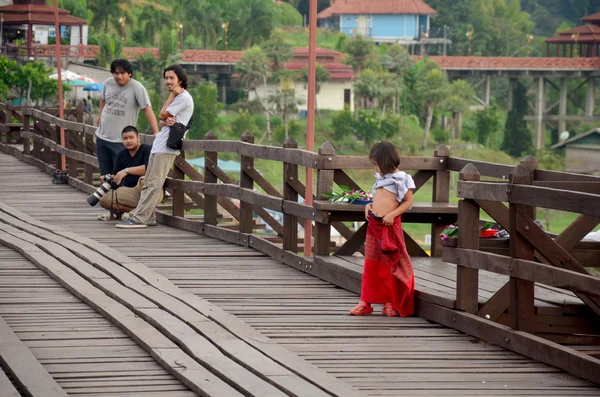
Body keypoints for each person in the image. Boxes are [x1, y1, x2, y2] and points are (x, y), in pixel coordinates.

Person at [117, 64, 193, 229]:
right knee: (148, 182)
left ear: (180, 79)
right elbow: (162, 120)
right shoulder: (178, 96)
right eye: (166, 78)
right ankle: (148, 216)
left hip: (167, 147)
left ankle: (140, 218)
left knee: (154, 183)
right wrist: (166, 120)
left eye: (171, 78)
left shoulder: (183, 97)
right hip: (159, 145)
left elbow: (161, 114)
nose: (168, 81)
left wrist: (171, 98)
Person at [349, 141, 416, 317]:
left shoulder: (402, 179)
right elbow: (379, 198)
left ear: (385, 162)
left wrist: (392, 215)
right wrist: (369, 206)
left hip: (389, 226)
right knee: (371, 264)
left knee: (390, 264)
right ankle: (366, 301)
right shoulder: (381, 180)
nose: (375, 168)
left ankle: (389, 301)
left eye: (376, 164)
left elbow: (408, 202)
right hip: (374, 225)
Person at [96, 59, 159, 176]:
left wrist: (156, 132)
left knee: (121, 175)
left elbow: (147, 109)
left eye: (122, 73)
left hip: (121, 141)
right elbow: (102, 98)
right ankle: (108, 195)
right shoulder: (108, 83)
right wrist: (100, 114)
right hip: (102, 137)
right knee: (105, 176)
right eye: (116, 73)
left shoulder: (136, 87)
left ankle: (120, 195)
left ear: (129, 73)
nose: (119, 76)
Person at [96, 126, 156, 221]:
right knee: (103, 200)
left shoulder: (147, 150)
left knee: (143, 180)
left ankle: (144, 212)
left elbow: (150, 169)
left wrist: (126, 171)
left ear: (138, 138)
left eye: (131, 137)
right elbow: (116, 177)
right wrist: (109, 178)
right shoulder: (121, 154)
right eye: (125, 138)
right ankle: (137, 211)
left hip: (150, 190)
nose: (128, 141)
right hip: (131, 192)